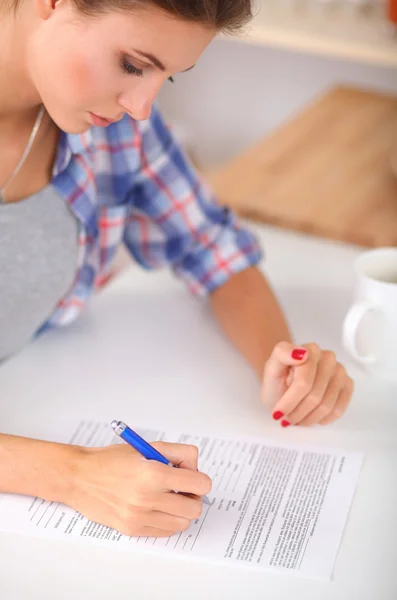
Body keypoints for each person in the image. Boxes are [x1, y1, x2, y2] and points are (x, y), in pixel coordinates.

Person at [0, 0, 354, 538]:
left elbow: (210, 246)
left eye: (168, 76)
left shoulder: (111, 124)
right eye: (133, 64)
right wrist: (73, 476)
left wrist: (283, 361)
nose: (142, 105)